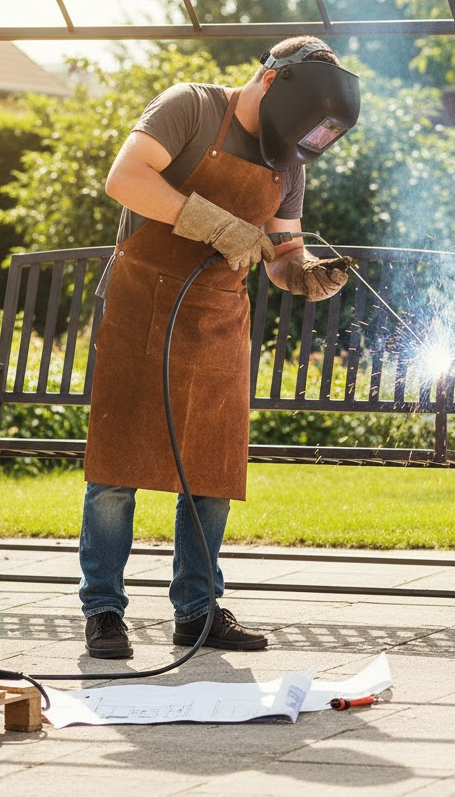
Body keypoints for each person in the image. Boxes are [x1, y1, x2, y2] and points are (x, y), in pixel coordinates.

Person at [79, 36, 361, 659]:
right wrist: (212, 221)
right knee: (117, 467)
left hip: (217, 317)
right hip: (141, 304)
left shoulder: (287, 162)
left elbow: (283, 255)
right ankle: (103, 610)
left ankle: (198, 611)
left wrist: (307, 276)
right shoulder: (191, 107)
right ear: (269, 81)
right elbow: (125, 178)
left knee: (210, 468)